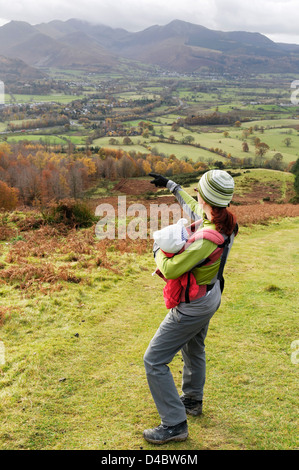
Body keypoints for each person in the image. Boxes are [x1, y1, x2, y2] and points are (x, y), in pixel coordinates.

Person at [143, 170, 238, 445]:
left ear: (208, 199)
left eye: (200, 192)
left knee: (153, 360)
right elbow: (193, 205)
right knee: (194, 347)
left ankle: (174, 424)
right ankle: (192, 400)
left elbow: (171, 269)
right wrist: (172, 185)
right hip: (210, 295)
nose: (196, 196)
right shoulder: (224, 220)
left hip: (193, 305)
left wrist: (157, 248)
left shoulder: (208, 238)